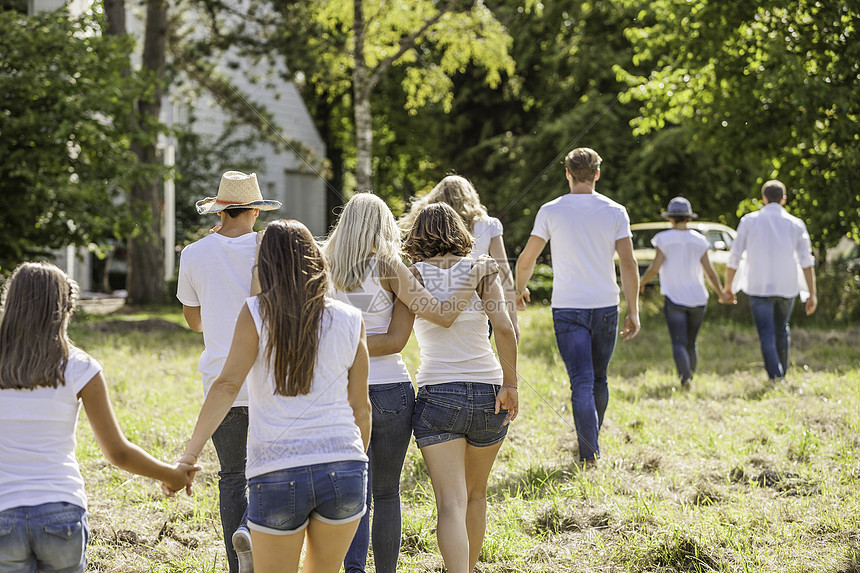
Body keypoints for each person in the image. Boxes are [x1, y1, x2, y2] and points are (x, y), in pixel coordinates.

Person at [323, 192, 500, 573]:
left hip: (334, 389)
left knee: (347, 489)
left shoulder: (322, 264)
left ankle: (350, 568)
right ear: (382, 225)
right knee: (386, 492)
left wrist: (338, 348)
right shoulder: (392, 266)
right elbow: (421, 325)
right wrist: (472, 274)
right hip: (390, 388)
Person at [181, 219, 371, 573]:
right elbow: (362, 409)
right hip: (345, 467)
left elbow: (226, 386)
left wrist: (189, 455)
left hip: (278, 470)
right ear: (316, 258)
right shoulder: (350, 318)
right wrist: (350, 461)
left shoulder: (256, 312)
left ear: (264, 264)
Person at [0, 263, 198, 573]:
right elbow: (117, 452)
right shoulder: (79, 366)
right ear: (65, 312)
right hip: (61, 512)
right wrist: (171, 474)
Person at [403, 203, 518, 573]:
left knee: (450, 503)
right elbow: (503, 327)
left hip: (438, 393)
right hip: (488, 391)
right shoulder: (482, 268)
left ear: (418, 235)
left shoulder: (413, 274)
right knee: (476, 495)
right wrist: (511, 384)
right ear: (459, 232)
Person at [176, 170, 281, 573]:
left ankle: (240, 562)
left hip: (219, 383)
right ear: (255, 210)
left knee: (232, 476)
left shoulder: (194, 253)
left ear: (221, 209)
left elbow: (195, 322)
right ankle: (256, 537)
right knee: (269, 474)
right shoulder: (272, 248)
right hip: (269, 383)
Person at [515, 147, 640, 466]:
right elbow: (628, 263)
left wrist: (519, 290)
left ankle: (589, 452)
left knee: (581, 381)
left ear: (567, 173)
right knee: (599, 378)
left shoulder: (551, 210)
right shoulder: (616, 211)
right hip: (606, 306)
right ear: (597, 173)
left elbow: (526, 259)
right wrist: (634, 310)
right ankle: (592, 444)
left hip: (567, 307)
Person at [400, 175, 518, 338]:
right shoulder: (489, 224)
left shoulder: (431, 225)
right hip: (482, 295)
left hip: (436, 296)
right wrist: (513, 319)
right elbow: (503, 271)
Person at [723, 179, 817, 380]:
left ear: (764, 198)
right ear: (783, 199)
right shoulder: (796, 224)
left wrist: (728, 287)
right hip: (787, 287)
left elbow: (735, 257)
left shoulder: (749, 221)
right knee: (782, 330)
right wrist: (812, 294)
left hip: (758, 287)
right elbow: (806, 262)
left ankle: (776, 377)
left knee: (766, 333)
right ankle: (780, 375)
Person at [638, 197, 730, 390]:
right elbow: (710, 272)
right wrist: (721, 293)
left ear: (671, 218)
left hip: (674, 298)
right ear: (688, 217)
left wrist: (641, 283)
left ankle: (685, 378)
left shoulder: (663, 239)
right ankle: (690, 378)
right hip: (698, 298)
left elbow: (655, 268)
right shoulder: (699, 240)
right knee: (691, 341)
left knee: (678, 342)